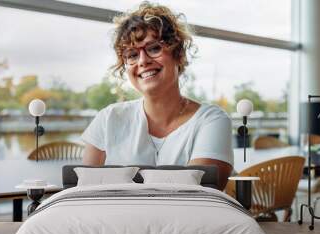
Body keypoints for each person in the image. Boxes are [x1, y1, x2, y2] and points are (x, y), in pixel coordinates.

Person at [81, 2, 233, 190]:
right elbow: (84, 195)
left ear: (178, 54)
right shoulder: (108, 118)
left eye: (154, 48)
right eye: (132, 55)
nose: (143, 61)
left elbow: (197, 196)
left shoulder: (211, 120)